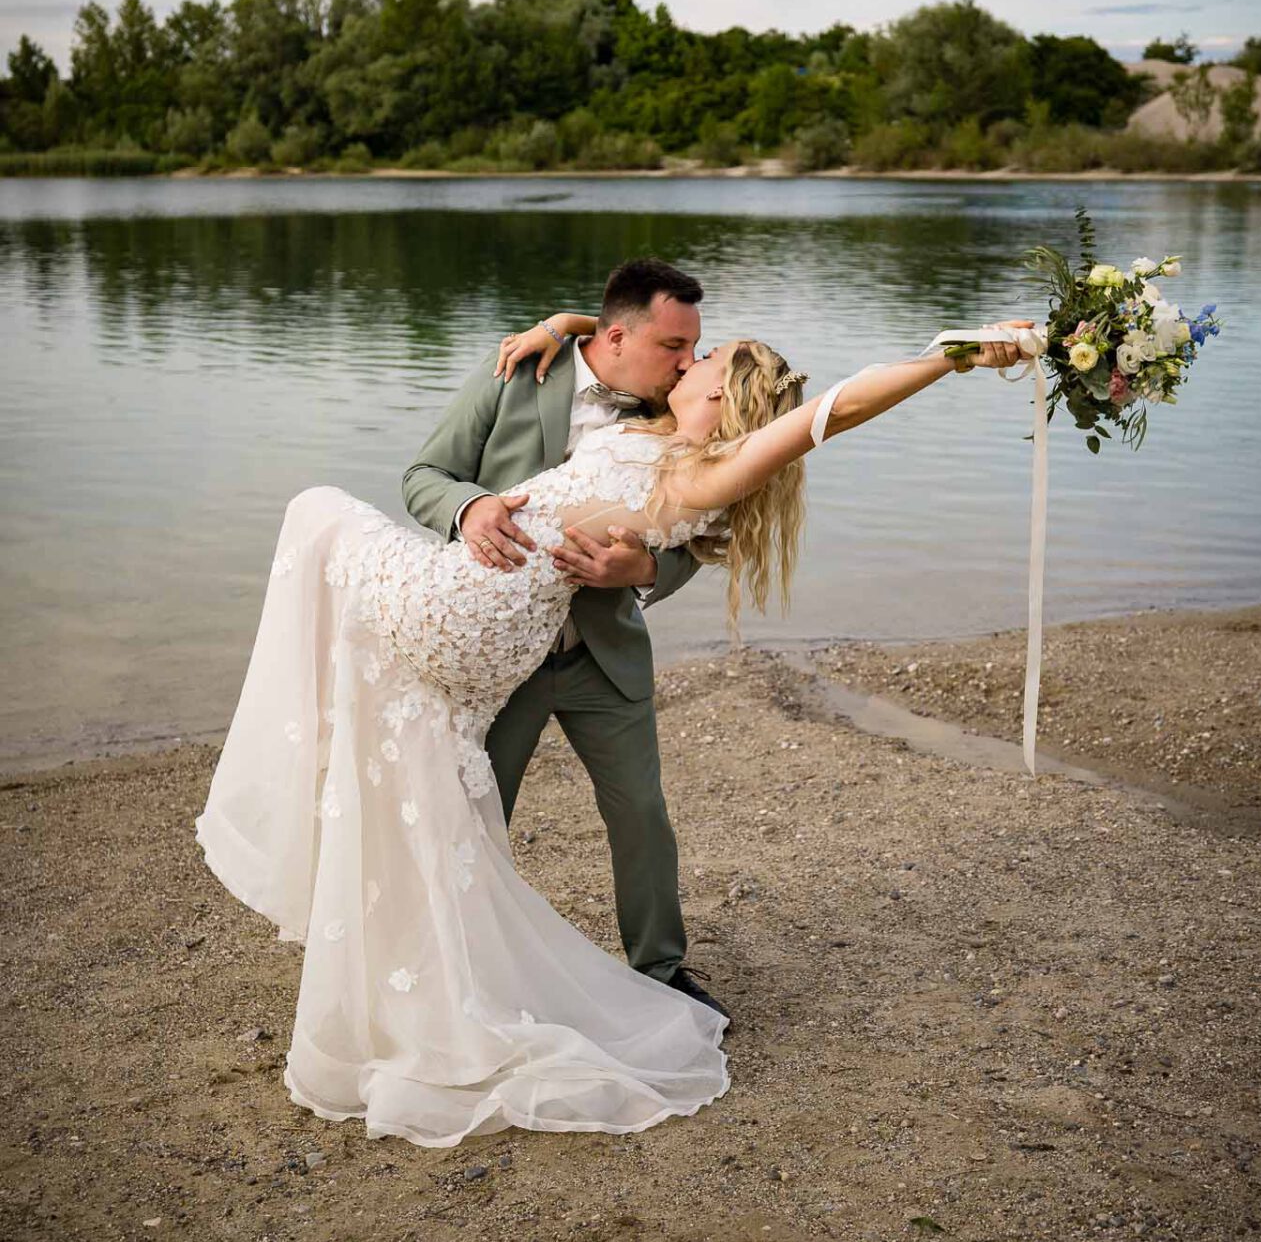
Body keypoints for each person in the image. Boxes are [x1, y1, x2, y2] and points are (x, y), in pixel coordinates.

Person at [195, 311, 1034, 1151]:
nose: (693, 357)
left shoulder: (711, 472)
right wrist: (566, 324)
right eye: (687, 346)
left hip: (479, 618)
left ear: (730, 392)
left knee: (316, 515)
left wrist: (950, 357)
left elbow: (839, 408)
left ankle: (628, 969)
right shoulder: (633, 416)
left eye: (710, 356)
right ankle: (415, 971)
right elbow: (619, 341)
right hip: (495, 627)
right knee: (433, 804)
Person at [402, 259, 729, 1023]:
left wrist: (643, 565)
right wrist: (473, 507)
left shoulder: (680, 414)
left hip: (602, 654)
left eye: (694, 349)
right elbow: (423, 475)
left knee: (642, 814)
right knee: (482, 817)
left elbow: (703, 533)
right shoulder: (516, 374)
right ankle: (456, 965)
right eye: (674, 346)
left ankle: (661, 967)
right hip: (500, 663)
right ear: (617, 334)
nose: (686, 363)